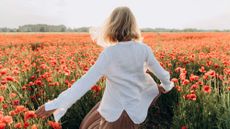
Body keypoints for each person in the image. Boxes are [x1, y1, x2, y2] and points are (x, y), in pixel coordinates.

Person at [35, 6, 174, 129]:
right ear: (133, 25)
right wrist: (166, 86)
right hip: (134, 112)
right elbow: (163, 75)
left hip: (115, 113)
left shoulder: (110, 53)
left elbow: (84, 83)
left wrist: (54, 104)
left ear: (112, 25)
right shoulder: (144, 50)